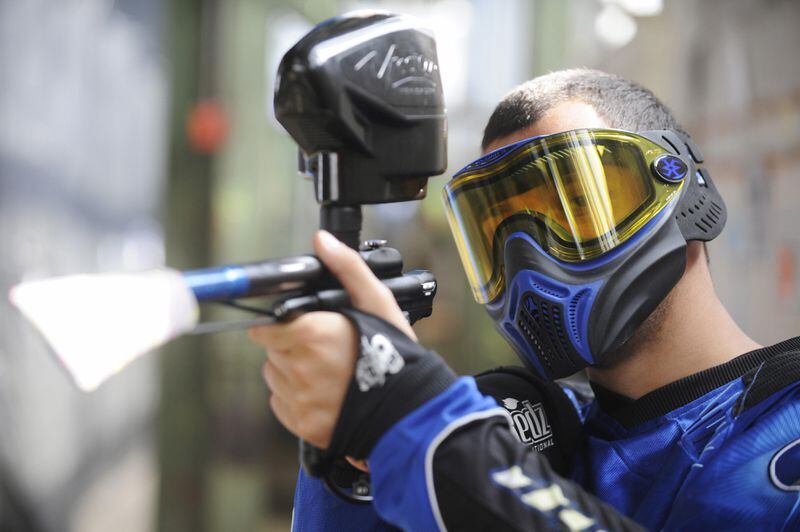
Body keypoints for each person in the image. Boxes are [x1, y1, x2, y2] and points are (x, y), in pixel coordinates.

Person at [249, 69, 800, 530]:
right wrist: (353, 460)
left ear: (684, 189)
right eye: (498, 232)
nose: (529, 261)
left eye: (576, 203)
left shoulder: (786, 426)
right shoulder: (541, 442)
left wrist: (437, 440)